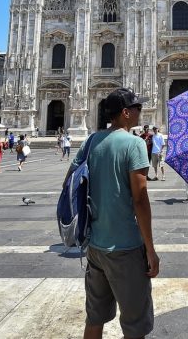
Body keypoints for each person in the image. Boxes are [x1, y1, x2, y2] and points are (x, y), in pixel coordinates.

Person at [67, 88, 158, 339]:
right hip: (125, 247)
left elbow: (71, 183)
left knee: (95, 318)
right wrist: (150, 249)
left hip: (95, 245)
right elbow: (140, 199)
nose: (141, 112)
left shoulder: (92, 141)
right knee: (135, 324)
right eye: (138, 108)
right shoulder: (135, 143)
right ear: (126, 113)